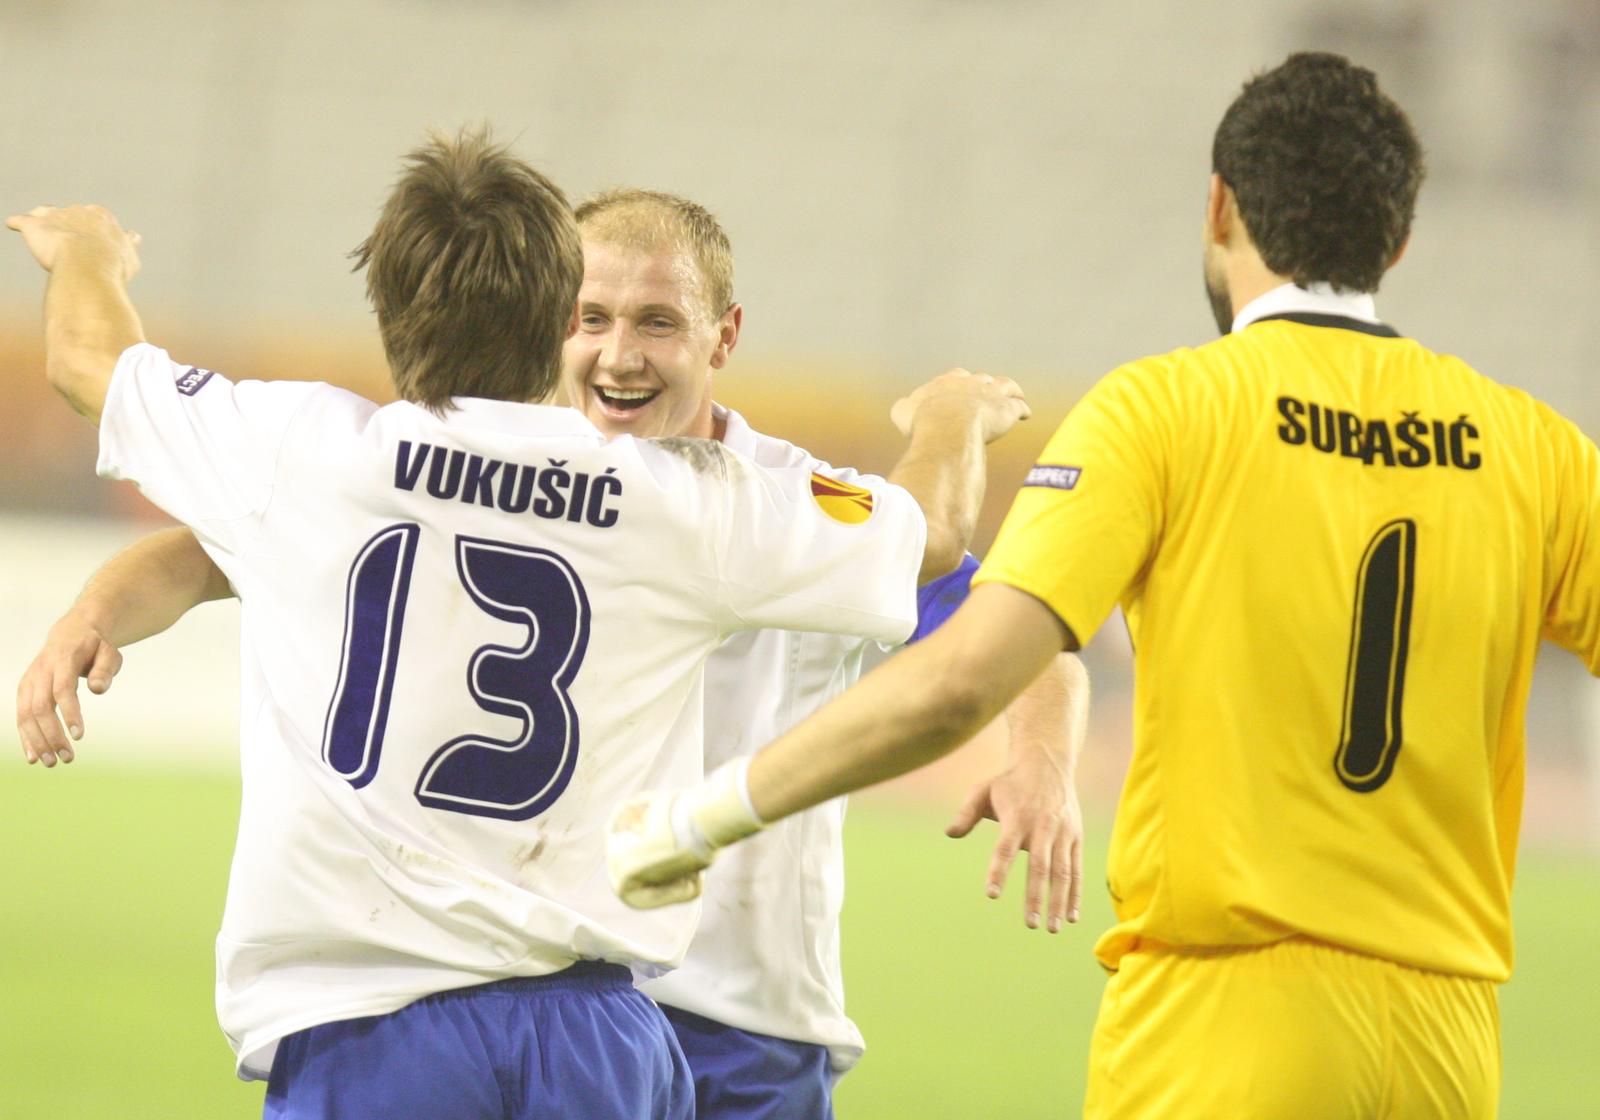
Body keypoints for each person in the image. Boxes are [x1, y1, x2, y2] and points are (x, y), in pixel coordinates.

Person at [608, 52, 1600, 1118]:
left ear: (1219, 206)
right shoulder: (1537, 450)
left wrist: (693, 819)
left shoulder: (1166, 409)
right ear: (1396, 240)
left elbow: (960, 681)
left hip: (1224, 1018)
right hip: (1448, 1045)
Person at [7, 130, 1030, 1119]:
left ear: (387, 306)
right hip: (600, 1036)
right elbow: (936, 536)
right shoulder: (685, 502)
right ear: (558, 320)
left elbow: (91, 358)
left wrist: (89, 251)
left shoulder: (308, 452)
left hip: (371, 1027)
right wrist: (951, 416)